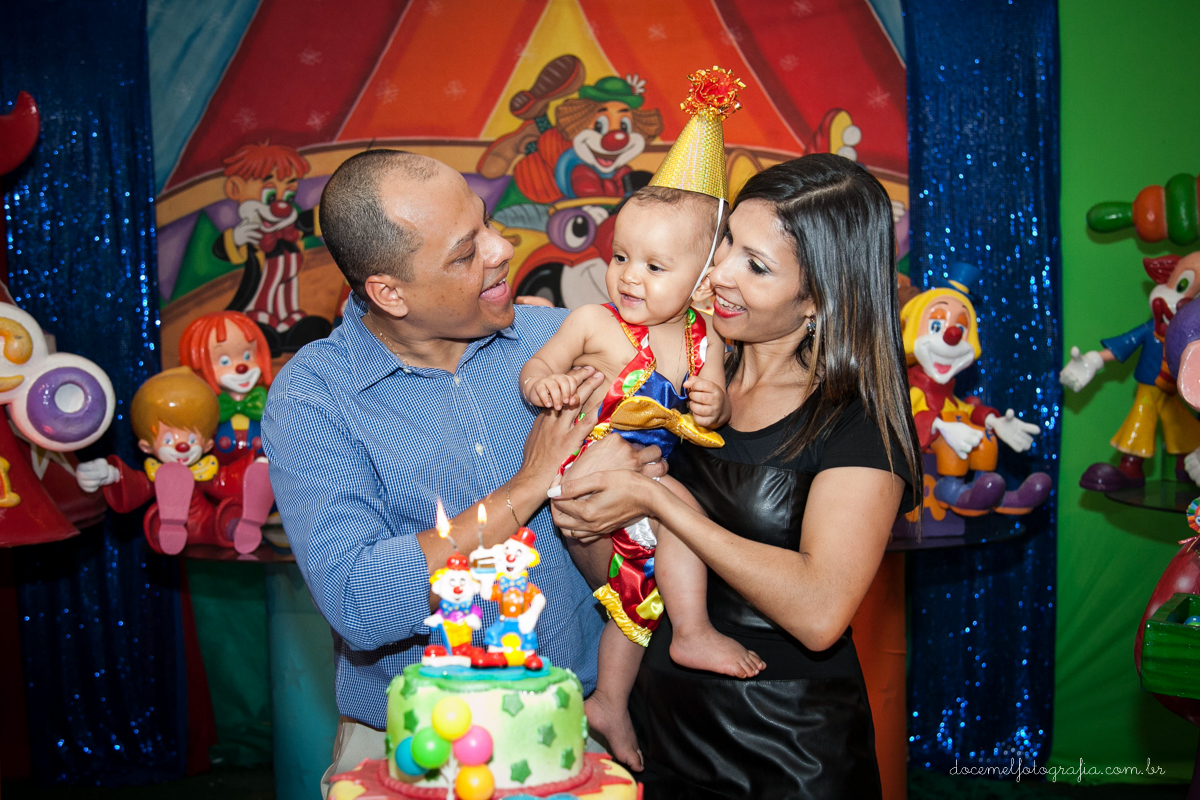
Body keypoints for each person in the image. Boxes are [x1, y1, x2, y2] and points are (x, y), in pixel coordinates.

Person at [260, 149, 664, 797]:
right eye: (463, 253)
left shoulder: (560, 339)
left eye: (486, 225)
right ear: (390, 293)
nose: (501, 249)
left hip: (571, 723)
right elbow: (360, 602)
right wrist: (523, 490)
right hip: (408, 746)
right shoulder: (316, 395)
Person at [549, 153, 923, 798]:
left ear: (819, 298)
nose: (717, 274)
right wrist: (588, 510)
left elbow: (819, 611)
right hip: (654, 725)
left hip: (784, 750)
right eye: (725, 244)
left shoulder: (858, 422)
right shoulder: (678, 376)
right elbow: (620, 574)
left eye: (755, 265)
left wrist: (660, 503)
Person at [520, 184, 766, 769]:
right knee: (680, 510)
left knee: (637, 600)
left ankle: (609, 700)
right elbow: (538, 366)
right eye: (621, 257)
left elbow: (718, 410)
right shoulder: (591, 322)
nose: (631, 277)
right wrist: (544, 384)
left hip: (642, 491)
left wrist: (714, 404)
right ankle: (695, 630)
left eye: (656, 267)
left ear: (702, 278)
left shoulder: (702, 338)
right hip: (586, 478)